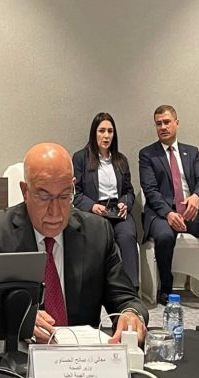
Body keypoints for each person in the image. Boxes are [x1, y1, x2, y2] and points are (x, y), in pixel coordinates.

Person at [0, 142, 148, 344]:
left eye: (64, 196)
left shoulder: (97, 232)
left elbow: (126, 298)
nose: (55, 211)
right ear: (25, 191)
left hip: (82, 354)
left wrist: (132, 314)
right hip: (24, 351)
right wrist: (20, 317)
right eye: (44, 197)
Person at [139, 105, 199, 305]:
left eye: (166, 122)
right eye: (158, 124)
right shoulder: (147, 154)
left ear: (176, 123)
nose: (163, 127)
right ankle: (166, 288)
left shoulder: (191, 152)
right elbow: (150, 190)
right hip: (161, 214)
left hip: (190, 211)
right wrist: (168, 213)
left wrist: (196, 197)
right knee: (164, 236)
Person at [72, 112, 139, 291]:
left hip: (117, 210)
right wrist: (92, 206)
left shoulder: (120, 160)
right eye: (102, 131)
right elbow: (76, 194)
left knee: (128, 236)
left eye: (110, 131)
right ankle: (96, 289)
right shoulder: (80, 158)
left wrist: (125, 203)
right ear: (94, 133)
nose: (106, 135)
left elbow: (129, 191)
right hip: (94, 212)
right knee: (99, 238)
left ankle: (131, 289)